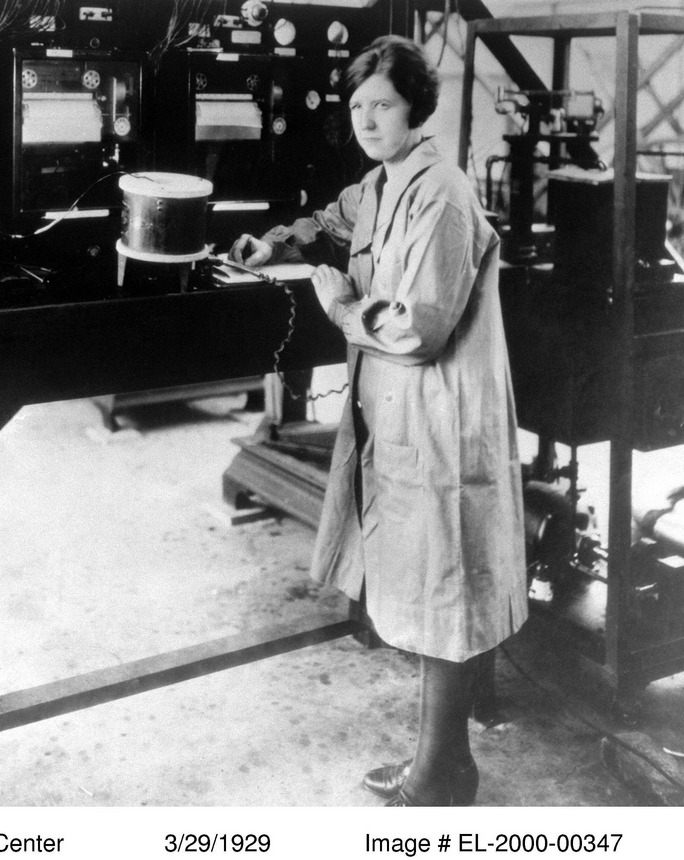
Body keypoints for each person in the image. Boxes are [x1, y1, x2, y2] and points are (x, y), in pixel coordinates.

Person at [229, 35, 527, 806]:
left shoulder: (442, 192)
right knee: (433, 582)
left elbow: (420, 327)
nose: (367, 119)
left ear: (415, 107)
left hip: (442, 411)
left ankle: (442, 772)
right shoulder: (385, 182)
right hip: (402, 411)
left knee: (444, 588)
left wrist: (339, 307)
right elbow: (332, 218)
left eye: (382, 104)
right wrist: (279, 239)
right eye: (357, 106)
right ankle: (447, 756)